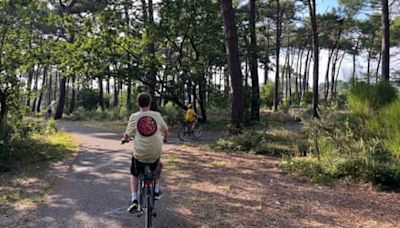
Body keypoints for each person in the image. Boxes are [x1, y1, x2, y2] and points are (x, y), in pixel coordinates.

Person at [122, 92, 168, 213]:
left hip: (140, 154)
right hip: (154, 152)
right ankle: (157, 190)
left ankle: (134, 200)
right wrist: (165, 137)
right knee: (158, 165)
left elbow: (128, 134)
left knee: (134, 173)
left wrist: (125, 139)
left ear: (138, 103)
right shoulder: (156, 115)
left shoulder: (134, 117)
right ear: (150, 103)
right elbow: (165, 130)